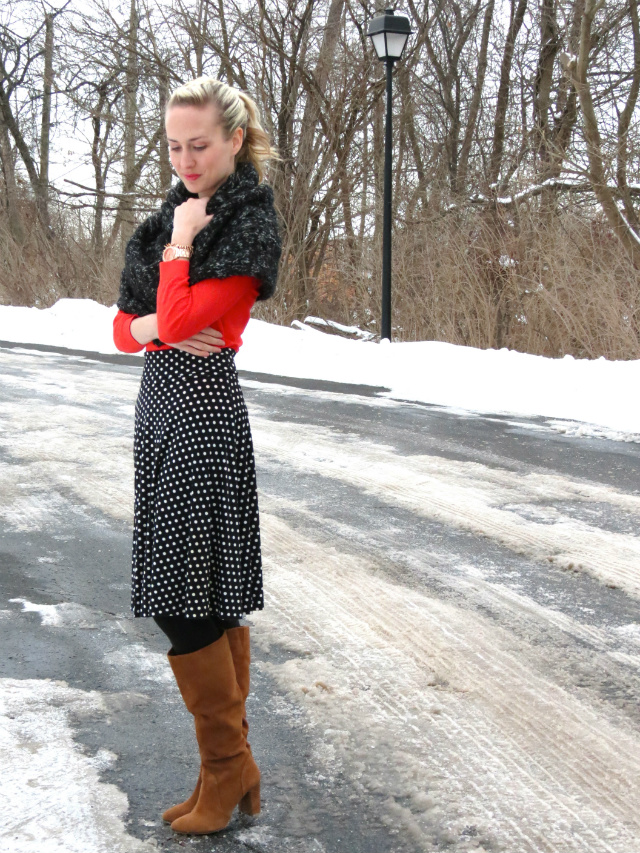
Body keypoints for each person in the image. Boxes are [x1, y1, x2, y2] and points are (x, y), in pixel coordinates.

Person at [112, 76, 282, 836]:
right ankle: (228, 768)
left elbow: (184, 314)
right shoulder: (157, 224)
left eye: (200, 144)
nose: (185, 157)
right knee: (202, 593)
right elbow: (125, 327)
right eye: (175, 144)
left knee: (186, 596)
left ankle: (228, 767)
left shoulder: (246, 225)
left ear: (234, 141)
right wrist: (154, 320)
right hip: (160, 411)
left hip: (205, 412)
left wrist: (182, 246)